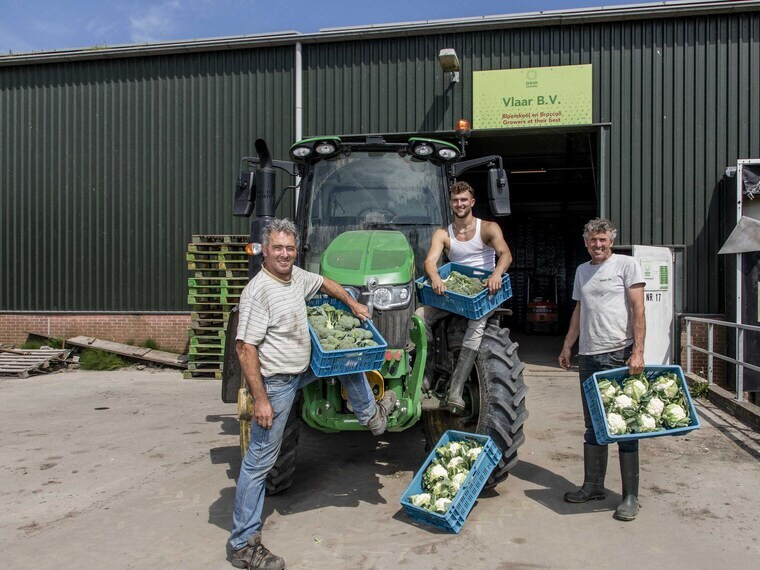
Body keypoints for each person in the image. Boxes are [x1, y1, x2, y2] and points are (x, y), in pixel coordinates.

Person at [228, 218, 397, 569]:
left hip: (302, 369)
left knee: (345, 360)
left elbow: (326, 283)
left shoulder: (295, 277)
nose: (285, 253)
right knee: (260, 461)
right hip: (276, 383)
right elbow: (245, 348)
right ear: (266, 250)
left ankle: (371, 415)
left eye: (290, 247)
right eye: (278, 248)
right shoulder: (258, 291)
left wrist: (352, 304)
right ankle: (243, 544)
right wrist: (260, 399)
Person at [558, 217, 646, 521]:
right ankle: (593, 485)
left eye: (603, 240)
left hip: (618, 353)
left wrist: (638, 352)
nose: (598, 245)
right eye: (593, 240)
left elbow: (638, 308)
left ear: (611, 241)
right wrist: (569, 345)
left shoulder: (626, 265)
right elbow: (580, 309)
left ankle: (630, 496)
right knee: (594, 424)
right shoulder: (583, 271)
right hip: (589, 356)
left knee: (623, 424)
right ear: (586, 243)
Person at [415, 181, 512, 413]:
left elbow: (505, 254)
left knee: (477, 323)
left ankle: (456, 387)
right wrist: (436, 277)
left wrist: (497, 273)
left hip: (483, 292)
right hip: (456, 293)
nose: (460, 204)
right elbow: (430, 261)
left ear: (472, 202)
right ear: (451, 203)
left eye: (464, 200)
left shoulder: (488, 228)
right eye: (456, 200)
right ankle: (426, 375)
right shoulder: (443, 233)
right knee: (420, 316)